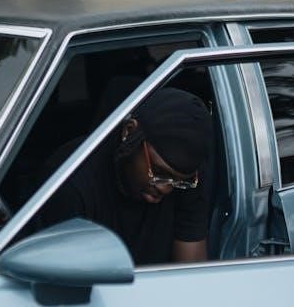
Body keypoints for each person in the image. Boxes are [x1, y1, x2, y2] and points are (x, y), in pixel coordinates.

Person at [36, 87, 214, 265]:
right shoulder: (69, 179)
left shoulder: (188, 179)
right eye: (158, 172)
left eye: (178, 181)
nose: (165, 188)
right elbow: (64, 273)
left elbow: (191, 270)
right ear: (129, 131)